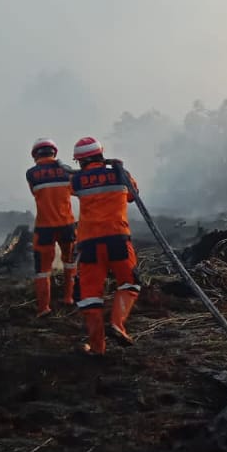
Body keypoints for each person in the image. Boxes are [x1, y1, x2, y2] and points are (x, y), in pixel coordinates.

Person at [69, 136, 141, 355]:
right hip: (118, 239)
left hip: (89, 244)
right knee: (129, 283)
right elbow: (133, 195)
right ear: (102, 153)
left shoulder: (78, 180)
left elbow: (71, 186)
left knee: (90, 297)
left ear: (80, 161)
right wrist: (116, 167)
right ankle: (118, 324)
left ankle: (98, 348)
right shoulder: (121, 174)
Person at [25, 137, 77, 317]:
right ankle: (69, 298)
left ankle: (43, 308)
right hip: (68, 225)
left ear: (35, 155)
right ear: (54, 152)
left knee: (42, 270)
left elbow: (35, 192)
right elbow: (75, 190)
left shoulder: (31, 173)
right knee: (70, 262)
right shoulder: (67, 172)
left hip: (44, 228)